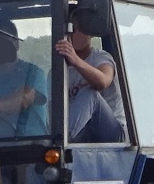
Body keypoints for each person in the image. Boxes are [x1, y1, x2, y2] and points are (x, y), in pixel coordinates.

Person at [54, 8, 127, 143]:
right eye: (68, 31)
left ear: (90, 33)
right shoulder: (57, 72)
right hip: (83, 132)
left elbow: (103, 81)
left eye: (77, 30)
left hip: (112, 132)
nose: (71, 35)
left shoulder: (101, 58)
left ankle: (62, 141)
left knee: (89, 94)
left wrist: (75, 60)